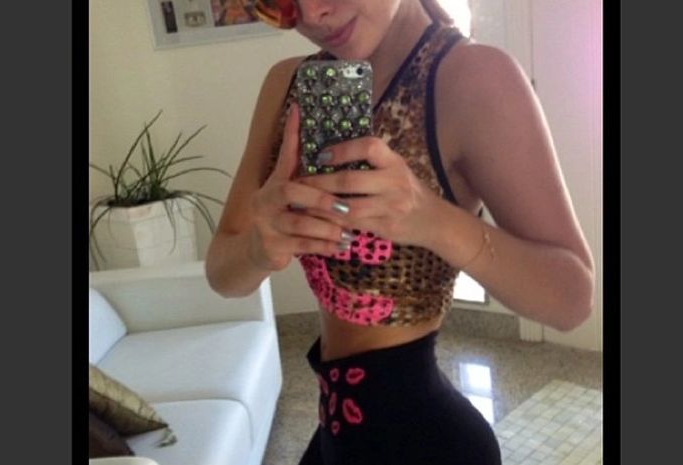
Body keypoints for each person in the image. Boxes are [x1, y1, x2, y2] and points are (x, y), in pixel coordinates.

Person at [205, 0, 595, 463]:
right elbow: (222, 274)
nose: (312, 14)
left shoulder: (473, 77)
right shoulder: (286, 84)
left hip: (431, 445)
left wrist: (434, 220)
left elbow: (572, 300)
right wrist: (258, 248)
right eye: (279, 1)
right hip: (335, 433)